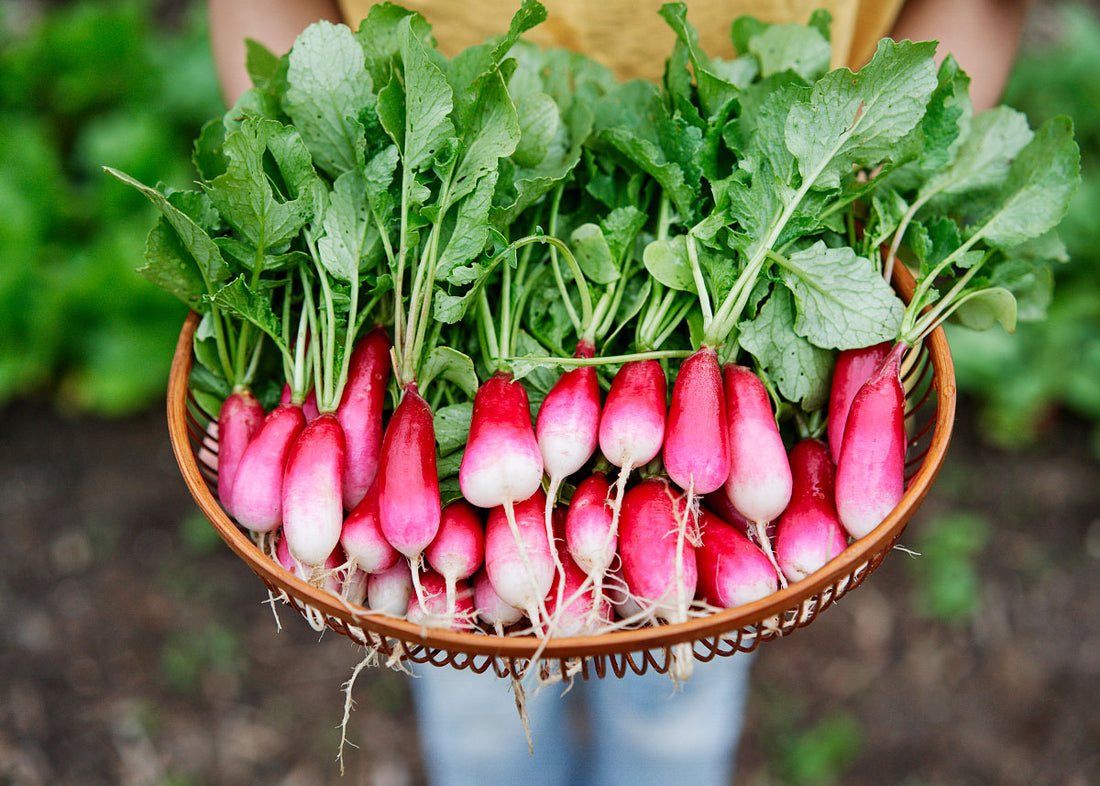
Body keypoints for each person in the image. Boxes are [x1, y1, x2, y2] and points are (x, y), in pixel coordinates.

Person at [205, 2, 1032, 783]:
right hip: (464, 526)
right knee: (473, 699)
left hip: (707, 494)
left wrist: (849, 203)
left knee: (676, 694)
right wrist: (313, 207)